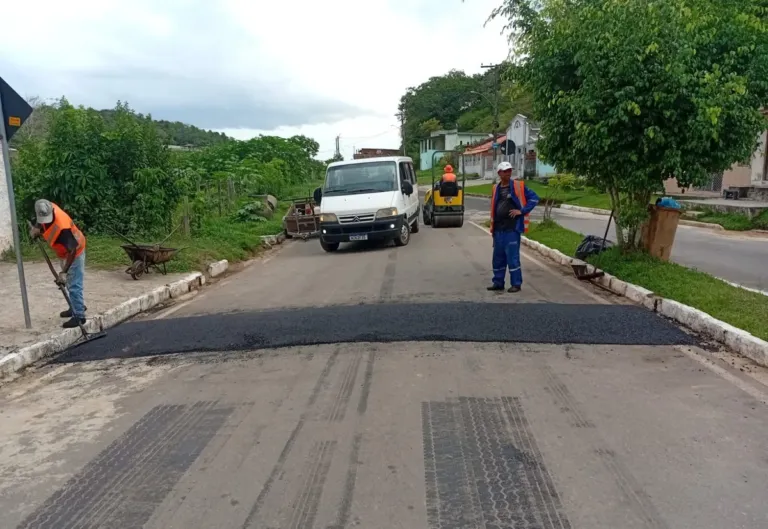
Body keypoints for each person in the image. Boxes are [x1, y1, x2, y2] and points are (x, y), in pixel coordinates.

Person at [29, 200, 87, 328]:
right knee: (71, 283)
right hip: (64, 253)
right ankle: (75, 307)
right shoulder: (47, 207)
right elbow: (41, 219)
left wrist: (64, 272)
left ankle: (79, 316)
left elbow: (73, 250)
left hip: (75, 253)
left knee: (74, 285)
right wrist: (37, 228)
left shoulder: (63, 228)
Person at [488, 161, 539, 293]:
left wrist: (521, 211)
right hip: (499, 229)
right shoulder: (496, 188)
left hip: (512, 229)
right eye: (505, 171)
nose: (508, 173)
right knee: (498, 258)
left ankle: (516, 284)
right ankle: (498, 282)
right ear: (499, 173)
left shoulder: (518, 186)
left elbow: (534, 198)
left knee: (512, 258)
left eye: (509, 170)